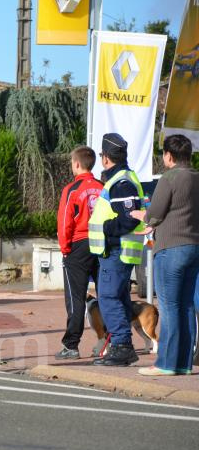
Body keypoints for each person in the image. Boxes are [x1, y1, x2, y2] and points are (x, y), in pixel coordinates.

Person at [130, 134, 199, 375]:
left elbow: (155, 212)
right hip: (194, 248)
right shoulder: (197, 177)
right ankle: (184, 363)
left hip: (170, 248)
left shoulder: (169, 178)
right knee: (186, 305)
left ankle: (166, 364)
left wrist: (142, 217)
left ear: (168, 156)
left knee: (169, 306)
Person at [88, 133, 146, 366]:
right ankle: (123, 347)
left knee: (109, 297)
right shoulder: (121, 179)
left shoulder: (121, 183)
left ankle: (122, 345)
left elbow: (129, 218)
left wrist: (107, 228)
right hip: (115, 251)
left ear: (105, 158)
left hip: (117, 251)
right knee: (118, 297)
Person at [55, 146, 104, 359]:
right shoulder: (103, 187)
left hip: (78, 245)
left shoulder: (72, 189)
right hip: (101, 243)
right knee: (107, 295)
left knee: (76, 298)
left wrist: (65, 250)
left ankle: (71, 346)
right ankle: (112, 340)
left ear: (76, 164)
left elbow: (65, 222)